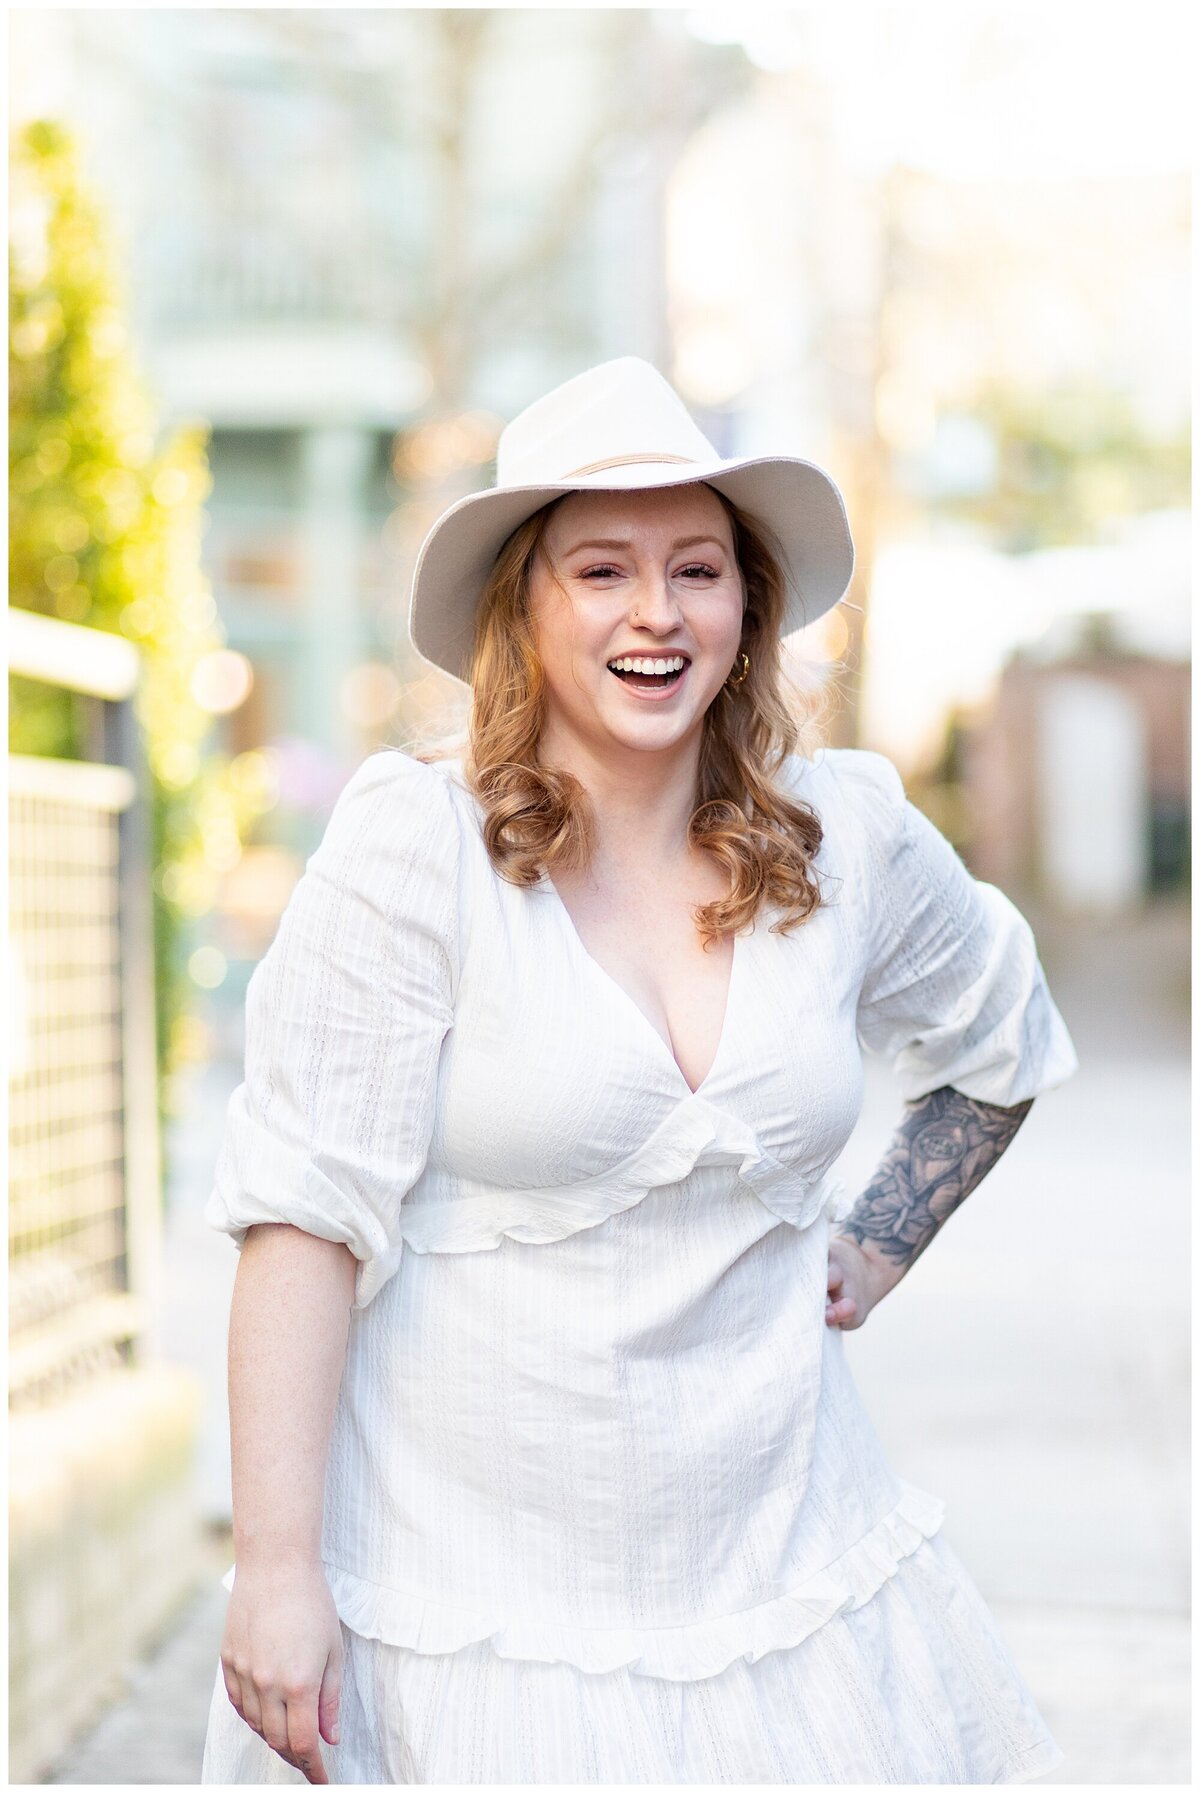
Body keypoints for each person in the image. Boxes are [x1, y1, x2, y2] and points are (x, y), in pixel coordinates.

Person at [200, 356, 1078, 1785]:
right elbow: (301, 1216)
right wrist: (276, 1564)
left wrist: (879, 1239)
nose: (656, 612)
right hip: (468, 1620)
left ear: (748, 606)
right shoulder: (414, 852)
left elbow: (1006, 1036)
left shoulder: (844, 838)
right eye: (601, 568)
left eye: (698, 568)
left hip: (788, 1602)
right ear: (525, 608)